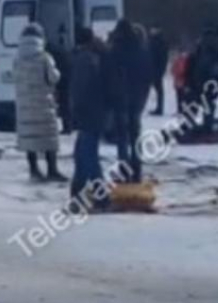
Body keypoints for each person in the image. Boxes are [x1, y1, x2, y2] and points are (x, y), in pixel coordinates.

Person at [14, 22, 65, 181]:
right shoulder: (45, 58)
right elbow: (53, 77)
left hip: (25, 106)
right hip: (43, 104)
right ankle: (52, 170)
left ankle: (34, 170)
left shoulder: (17, 59)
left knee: (30, 139)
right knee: (49, 139)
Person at [108, 20, 151, 182]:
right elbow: (148, 75)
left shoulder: (115, 50)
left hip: (120, 100)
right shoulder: (141, 50)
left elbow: (110, 76)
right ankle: (137, 169)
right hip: (137, 99)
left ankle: (123, 170)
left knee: (122, 138)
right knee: (135, 136)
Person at [69, 28, 108, 207]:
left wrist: (74, 111)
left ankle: (100, 197)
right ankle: (78, 193)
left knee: (87, 156)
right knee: (82, 155)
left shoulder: (84, 60)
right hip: (95, 114)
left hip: (88, 115)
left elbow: (80, 90)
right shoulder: (94, 57)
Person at [186, 22, 218, 135]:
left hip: (200, 79)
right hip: (210, 81)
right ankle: (206, 127)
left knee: (196, 104)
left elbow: (194, 62)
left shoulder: (203, 46)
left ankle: (193, 126)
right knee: (208, 106)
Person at [46, 34, 72, 134]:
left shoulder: (49, 54)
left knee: (64, 103)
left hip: (63, 78)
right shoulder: (58, 51)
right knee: (65, 103)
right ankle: (68, 126)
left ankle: (67, 127)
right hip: (66, 76)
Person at [148, 27, 169, 116]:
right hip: (154, 68)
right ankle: (159, 108)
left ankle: (160, 108)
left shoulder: (159, 42)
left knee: (159, 90)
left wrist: (161, 69)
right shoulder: (154, 41)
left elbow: (162, 57)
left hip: (156, 69)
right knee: (158, 90)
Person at [171, 48, 190, 117]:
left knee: (181, 97)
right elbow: (173, 69)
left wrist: (177, 73)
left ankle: (182, 111)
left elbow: (178, 70)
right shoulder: (180, 60)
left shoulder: (182, 60)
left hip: (181, 82)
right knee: (180, 97)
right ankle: (180, 110)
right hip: (179, 82)